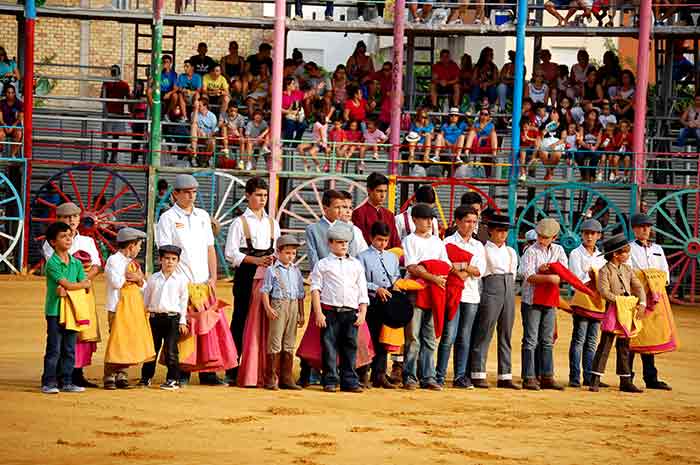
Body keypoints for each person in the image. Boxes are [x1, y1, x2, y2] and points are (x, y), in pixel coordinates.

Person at [156, 174, 231, 386]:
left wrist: (214, 277)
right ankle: (182, 372)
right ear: (175, 194)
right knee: (184, 329)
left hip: (203, 281)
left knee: (207, 329)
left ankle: (208, 372)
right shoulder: (168, 218)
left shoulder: (203, 216)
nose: (191, 195)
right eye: (187, 192)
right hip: (181, 281)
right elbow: (165, 251)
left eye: (194, 192)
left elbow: (210, 248)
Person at [224, 176, 280, 387]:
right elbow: (231, 254)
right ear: (248, 196)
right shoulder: (239, 223)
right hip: (246, 275)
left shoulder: (272, 223)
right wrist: (256, 260)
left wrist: (272, 260)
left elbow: (277, 250)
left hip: (268, 275)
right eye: (258, 195)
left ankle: (262, 368)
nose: (262, 199)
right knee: (240, 320)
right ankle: (232, 368)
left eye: (265, 195)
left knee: (265, 322)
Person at [41, 202, 102, 388]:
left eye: (75, 217)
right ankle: (54, 379)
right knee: (58, 344)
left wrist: (83, 281)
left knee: (77, 339)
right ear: (58, 219)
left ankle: (74, 375)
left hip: (80, 296)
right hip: (63, 299)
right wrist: (81, 283)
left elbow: (97, 266)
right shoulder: (52, 244)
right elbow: (60, 274)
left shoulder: (86, 241)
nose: (72, 221)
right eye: (67, 218)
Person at [311, 224, 369, 393]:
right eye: (339, 242)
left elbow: (362, 290)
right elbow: (315, 289)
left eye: (346, 242)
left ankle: (349, 381)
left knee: (350, 346)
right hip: (329, 311)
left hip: (350, 312)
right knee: (329, 347)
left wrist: (363, 311)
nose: (344, 245)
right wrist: (319, 313)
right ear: (330, 243)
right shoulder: (322, 264)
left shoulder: (356, 264)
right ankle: (329, 380)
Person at [402, 203, 450, 391]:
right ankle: (410, 376)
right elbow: (412, 267)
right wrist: (433, 277)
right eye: (425, 218)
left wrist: (432, 276)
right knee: (413, 337)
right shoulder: (410, 240)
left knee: (429, 337)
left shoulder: (437, 242)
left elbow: (445, 265)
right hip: (416, 290)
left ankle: (428, 376)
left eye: (431, 218)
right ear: (415, 220)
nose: (429, 222)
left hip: (434, 291)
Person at [590, 233, 646, 393]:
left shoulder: (627, 269)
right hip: (614, 310)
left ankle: (625, 380)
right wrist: (620, 300)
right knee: (605, 345)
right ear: (615, 254)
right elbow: (603, 291)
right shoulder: (604, 271)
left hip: (627, 311)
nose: (628, 255)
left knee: (624, 347)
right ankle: (595, 379)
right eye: (625, 252)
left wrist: (642, 303)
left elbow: (639, 287)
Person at [469, 213, 520, 389]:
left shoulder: (511, 251)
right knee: (484, 331)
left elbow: (512, 273)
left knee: (506, 333)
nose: (502, 234)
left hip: (508, 288)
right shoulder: (483, 249)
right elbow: (482, 274)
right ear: (490, 231)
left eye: (505, 231)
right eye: (499, 230)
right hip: (491, 287)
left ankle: (505, 375)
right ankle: (477, 373)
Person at [437, 206, 485, 388]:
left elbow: (478, 270)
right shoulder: (447, 242)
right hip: (452, 293)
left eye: (474, 222)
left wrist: (461, 268)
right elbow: (447, 267)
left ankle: (459, 376)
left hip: (471, 295)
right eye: (467, 221)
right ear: (458, 221)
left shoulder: (478, 245)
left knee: (464, 336)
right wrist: (466, 268)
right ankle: (439, 375)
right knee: (449, 335)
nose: (471, 225)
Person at [103, 227, 155, 390]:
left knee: (127, 340)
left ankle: (121, 375)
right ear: (131, 245)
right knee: (117, 340)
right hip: (117, 307)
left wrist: (139, 279)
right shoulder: (114, 260)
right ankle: (109, 375)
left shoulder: (132, 263)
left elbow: (144, 286)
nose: (139, 249)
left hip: (131, 307)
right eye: (138, 245)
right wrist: (132, 277)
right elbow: (117, 283)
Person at [520, 217, 568, 390]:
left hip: (548, 299)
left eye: (546, 237)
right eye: (540, 235)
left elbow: (563, 273)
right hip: (531, 299)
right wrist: (549, 276)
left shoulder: (559, 250)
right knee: (531, 339)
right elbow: (528, 276)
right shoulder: (531, 251)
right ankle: (529, 377)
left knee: (547, 339)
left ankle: (546, 376)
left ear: (554, 237)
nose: (541, 239)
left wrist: (549, 273)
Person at [627, 213, 672, 390]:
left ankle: (651, 377)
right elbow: (630, 273)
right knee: (631, 336)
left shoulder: (658, 249)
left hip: (654, 298)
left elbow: (665, 273)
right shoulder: (629, 248)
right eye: (641, 227)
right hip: (636, 297)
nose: (645, 229)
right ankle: (627, 376)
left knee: (649, 336)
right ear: (634, 229)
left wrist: (657, 287)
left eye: (647, 226)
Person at [140, 245, 189, 390]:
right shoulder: (153, 279)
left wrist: (182, 321)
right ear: (160, 260)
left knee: (171, 350)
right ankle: (146, 377)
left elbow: (183, 301)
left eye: (174, 259)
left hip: (173, 319)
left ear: (178, 261)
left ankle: (173, 379)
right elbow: (146, 300)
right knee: (152, 350)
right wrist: (144, 316)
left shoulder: (181, 280)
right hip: (154, 318)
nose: (170, 262)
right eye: (167, 258)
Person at [358, 222, 401, 389]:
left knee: (384, 338)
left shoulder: (392, 257)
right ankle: (363, 374)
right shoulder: (362, 256)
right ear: (371, 238)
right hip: (371, 301)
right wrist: (376, 289)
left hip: (388, 300)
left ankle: (380, 374)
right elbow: (360, 280)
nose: (382, 243)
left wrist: (396, 284)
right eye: (379, 240)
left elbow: (396, 275)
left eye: (385, 240)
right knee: (369, 338)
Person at [260, 235, 305, 391]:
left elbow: (300, 294)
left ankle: (286, 377)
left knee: (290, 341)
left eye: (293, 253)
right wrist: (268, 308)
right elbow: (265, 291)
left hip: (293, 305)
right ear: (278, 252)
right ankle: (271, 378)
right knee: (275, 340)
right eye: (287, 253)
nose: (290, 256)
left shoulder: (296, 271)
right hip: (278, 305)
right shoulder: (272, 270)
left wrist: (301, 313)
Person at [567, 219, 606, 387]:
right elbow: (575, 278)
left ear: (598, 236)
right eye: (586, 233)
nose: (589, 237)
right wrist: (592, 277)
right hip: (583, 299)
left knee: (590, 341)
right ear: (582, 235)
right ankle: (575, 377)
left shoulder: (601, 256)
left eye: (593, 233)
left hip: (597, 300)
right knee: (579, 339)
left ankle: (589, 376)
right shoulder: (576, 253)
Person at [352, 172, 401, 248]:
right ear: (369, 190)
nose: (383, 195)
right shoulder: (358, 213)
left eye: (385, 191)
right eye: (379, 191)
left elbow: (395, 241)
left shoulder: (389, 215)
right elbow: (360, 242)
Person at [101, 65, 130, 164]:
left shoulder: (124, 85)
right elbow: (102, 97)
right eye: (113, 72)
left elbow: (128, 99)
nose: (114, 74)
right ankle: (105, 155)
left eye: (114, 72)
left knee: (115, 137)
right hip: (109, 113)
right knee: (106, 136)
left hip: (118, 114)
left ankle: (113, 157)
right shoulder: (106, 84)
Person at [190, 97, 218, 166]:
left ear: (205, 106)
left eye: (199, 105)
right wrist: (196, 110)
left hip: (208, 136)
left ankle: (205, 161)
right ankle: (194, 154)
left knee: (212, 142)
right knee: (194, 126)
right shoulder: (194, 113)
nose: (197, 107)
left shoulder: (212, 116)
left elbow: (215, 130)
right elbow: (193, 122)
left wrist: (208, 135)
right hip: (197, 136)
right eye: (196, 106)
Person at [0, 84, 23, 157]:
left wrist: (12, 126)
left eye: (12, 92)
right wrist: (4, 125)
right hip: (3, 126)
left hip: (15, 126)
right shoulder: (1, 103)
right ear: (5, 93)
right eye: (8, 92)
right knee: (0, 134)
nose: (10, 94)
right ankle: (0, 151)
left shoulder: (19, 103)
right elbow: (0, 118)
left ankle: (13, 154)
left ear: (14, 93)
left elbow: (20, 118)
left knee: (19, 134)